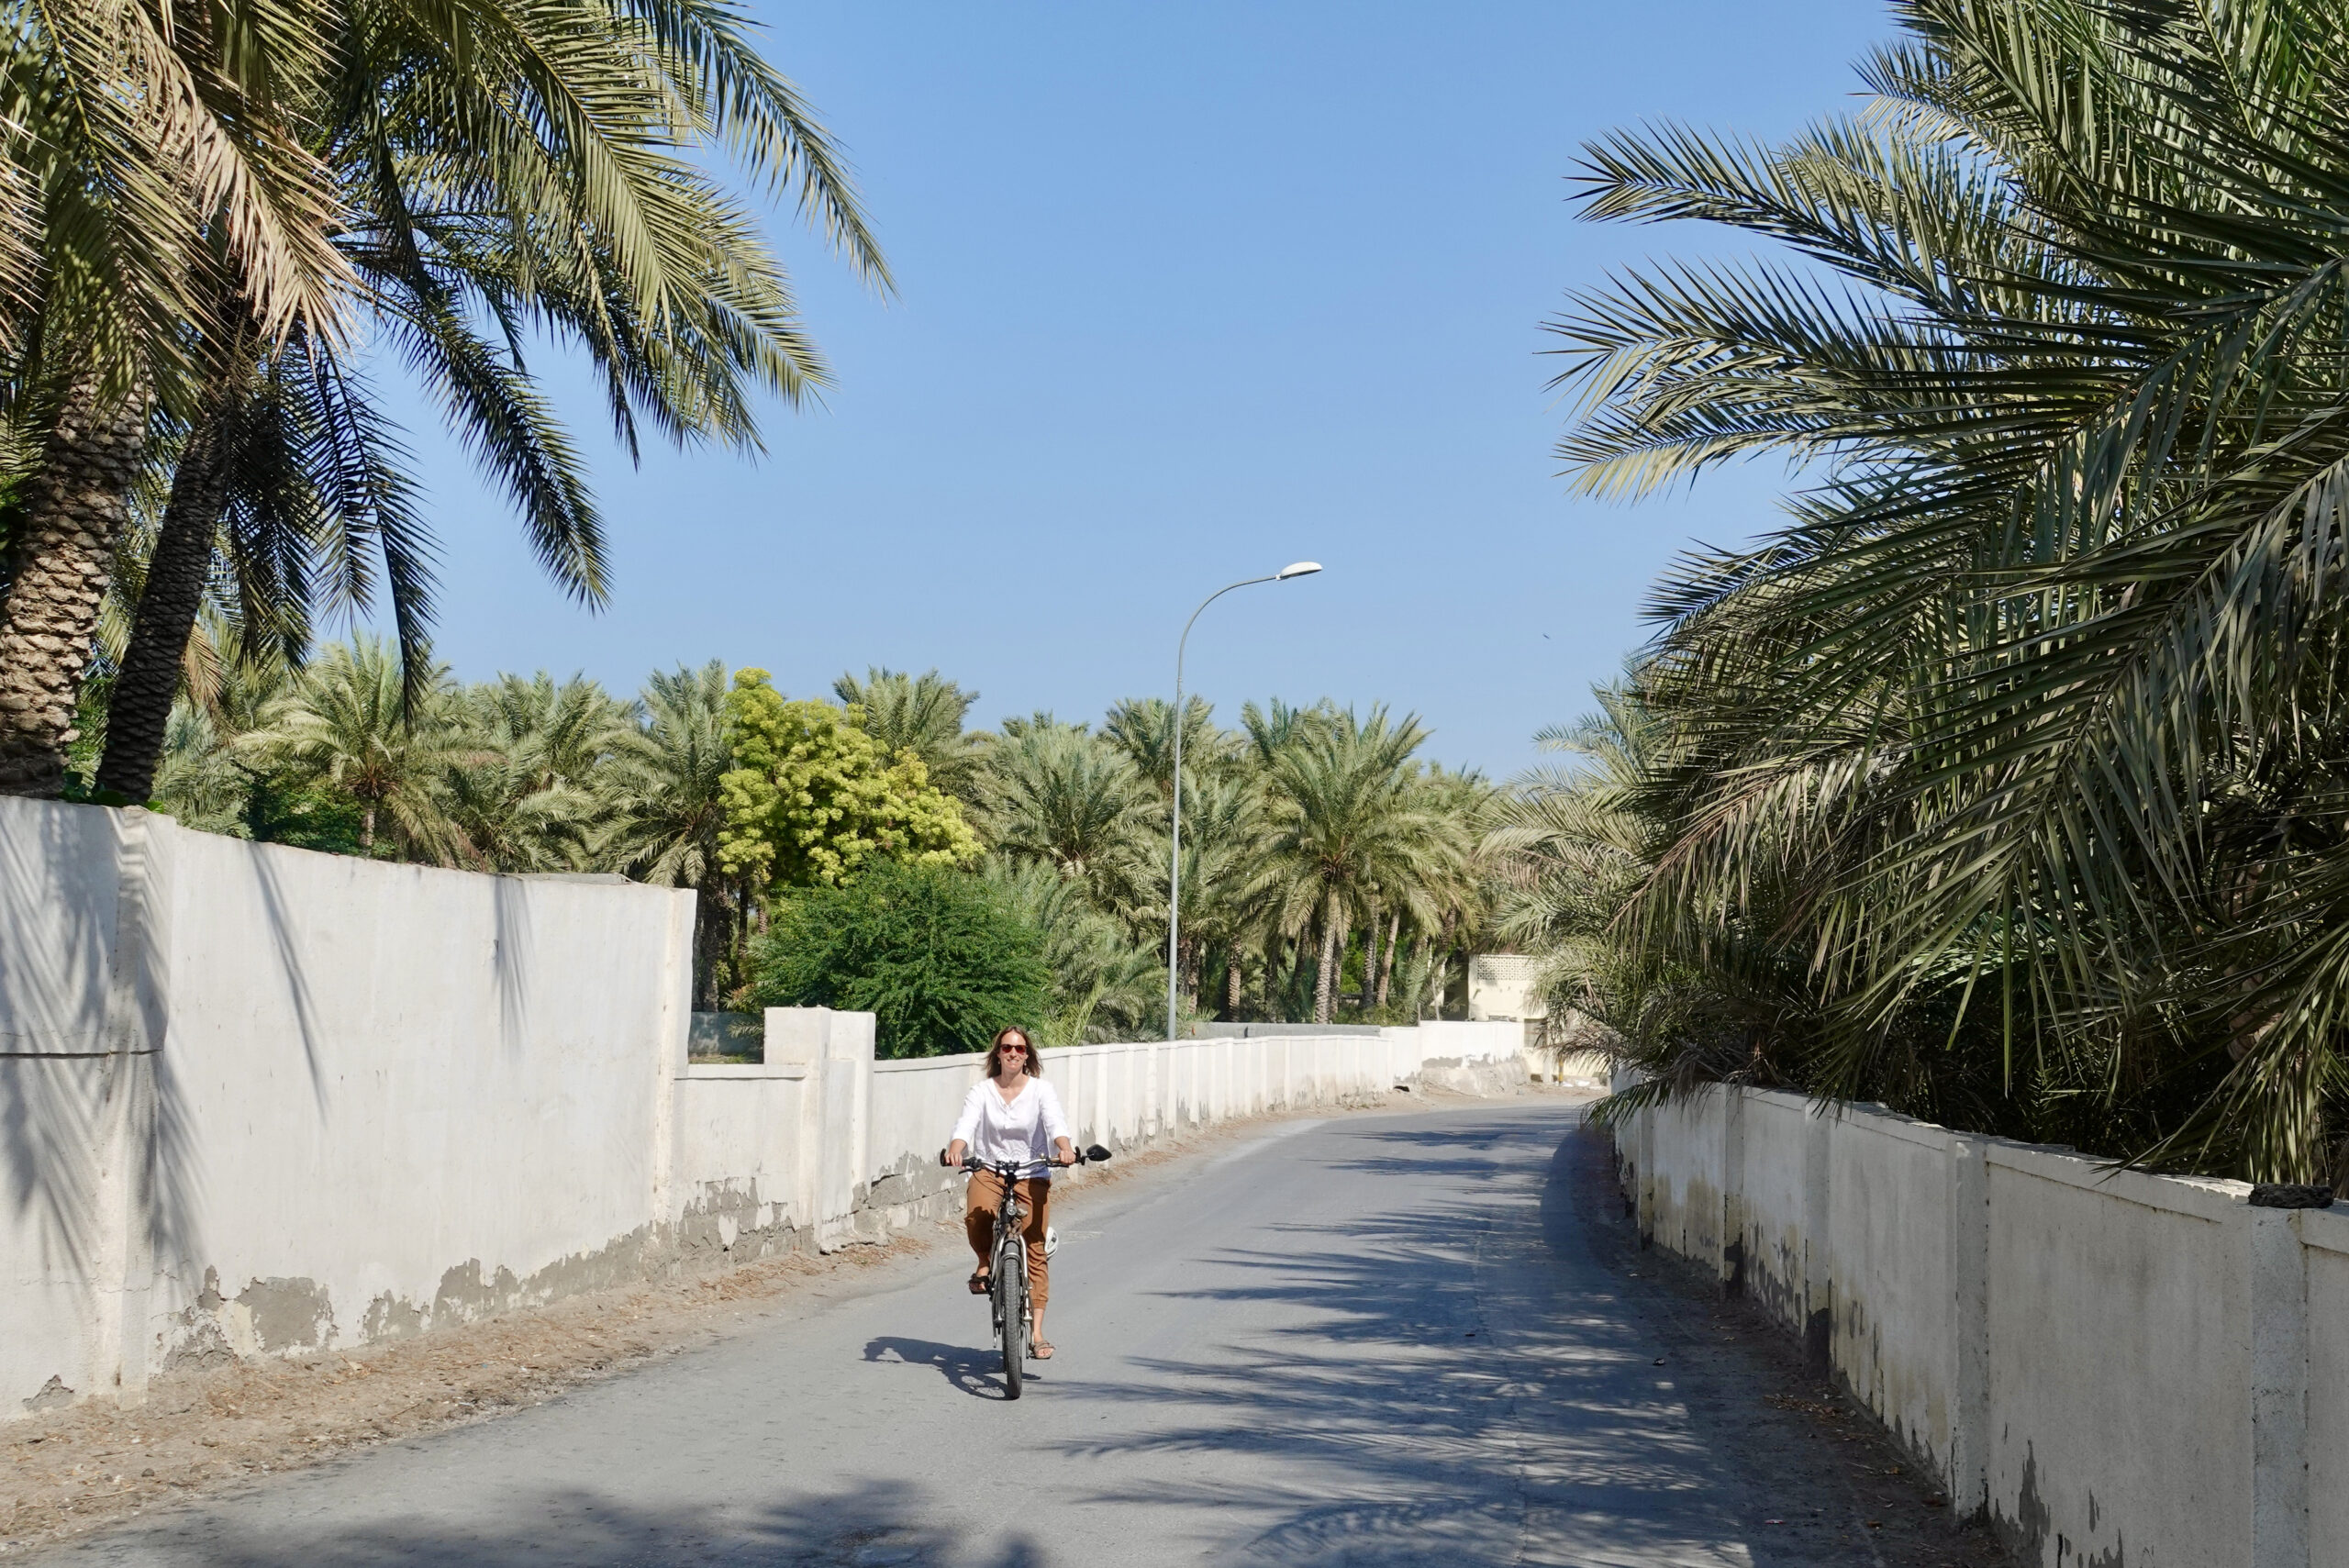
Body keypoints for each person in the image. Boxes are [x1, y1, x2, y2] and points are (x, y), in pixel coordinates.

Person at [941, 1026, 1074, 1358]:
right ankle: (985, 1262)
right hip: (989, 1169)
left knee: (1035, 1248)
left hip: (1032, 1172)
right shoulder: (982, 1091)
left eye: (1019, 1049)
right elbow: (965, 1125)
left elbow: (1055, 1122)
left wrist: (1065, 1147)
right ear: (997, 1054)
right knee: (977, 1216)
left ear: (1027, 1055)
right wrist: (956, 1149)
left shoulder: (1041, 1090)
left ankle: (1038, 1333)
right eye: (1006, 1048)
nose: (1013, 1054)